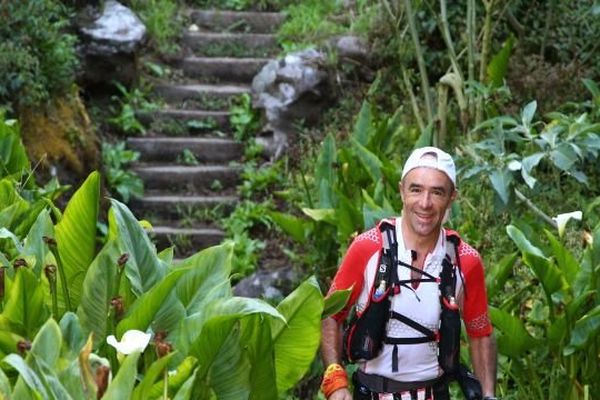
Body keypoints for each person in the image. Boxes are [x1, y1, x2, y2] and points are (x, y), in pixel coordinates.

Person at [320, 146, 497, 400]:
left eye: (437, 192)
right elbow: (330, 315)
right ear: (402, 190)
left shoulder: (465, 260)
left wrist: (488, 395)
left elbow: (480, 333)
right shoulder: (368, 247)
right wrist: (336, 384)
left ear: (452, 198)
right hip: (369, 392)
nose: (425, 203)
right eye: (416, 189)